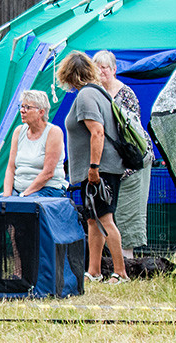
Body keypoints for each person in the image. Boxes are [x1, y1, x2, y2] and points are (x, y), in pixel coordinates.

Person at [55, 51, 129, 283]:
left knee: (105, 219)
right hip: (100, 168)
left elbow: (97, 132)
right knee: (93, 220)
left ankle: (121, 273)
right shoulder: (99, 93)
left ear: (70, 75)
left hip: (100, 170)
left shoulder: (87, 96)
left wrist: (94, 168)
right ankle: (94, 271)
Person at [94, 50, 154, 257]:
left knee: (129, 211)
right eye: (97, 67)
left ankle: (127, 261)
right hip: (111, 164)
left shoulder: (125, 94)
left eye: (105, 68)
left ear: (114, 70)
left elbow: (131, 133)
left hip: (132, 161)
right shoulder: (95, 93)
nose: (101, 72)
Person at [3, 90, 68, 198]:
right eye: (21, 106)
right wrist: (6, 197)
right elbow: (10, 168)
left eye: (27, 107)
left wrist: (23, 195)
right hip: (19, 191)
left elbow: (48, 173)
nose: (22, 111)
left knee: (27, 207)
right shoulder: (18, 131)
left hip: (47, 189)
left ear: (41, 112)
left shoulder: (54, 132)